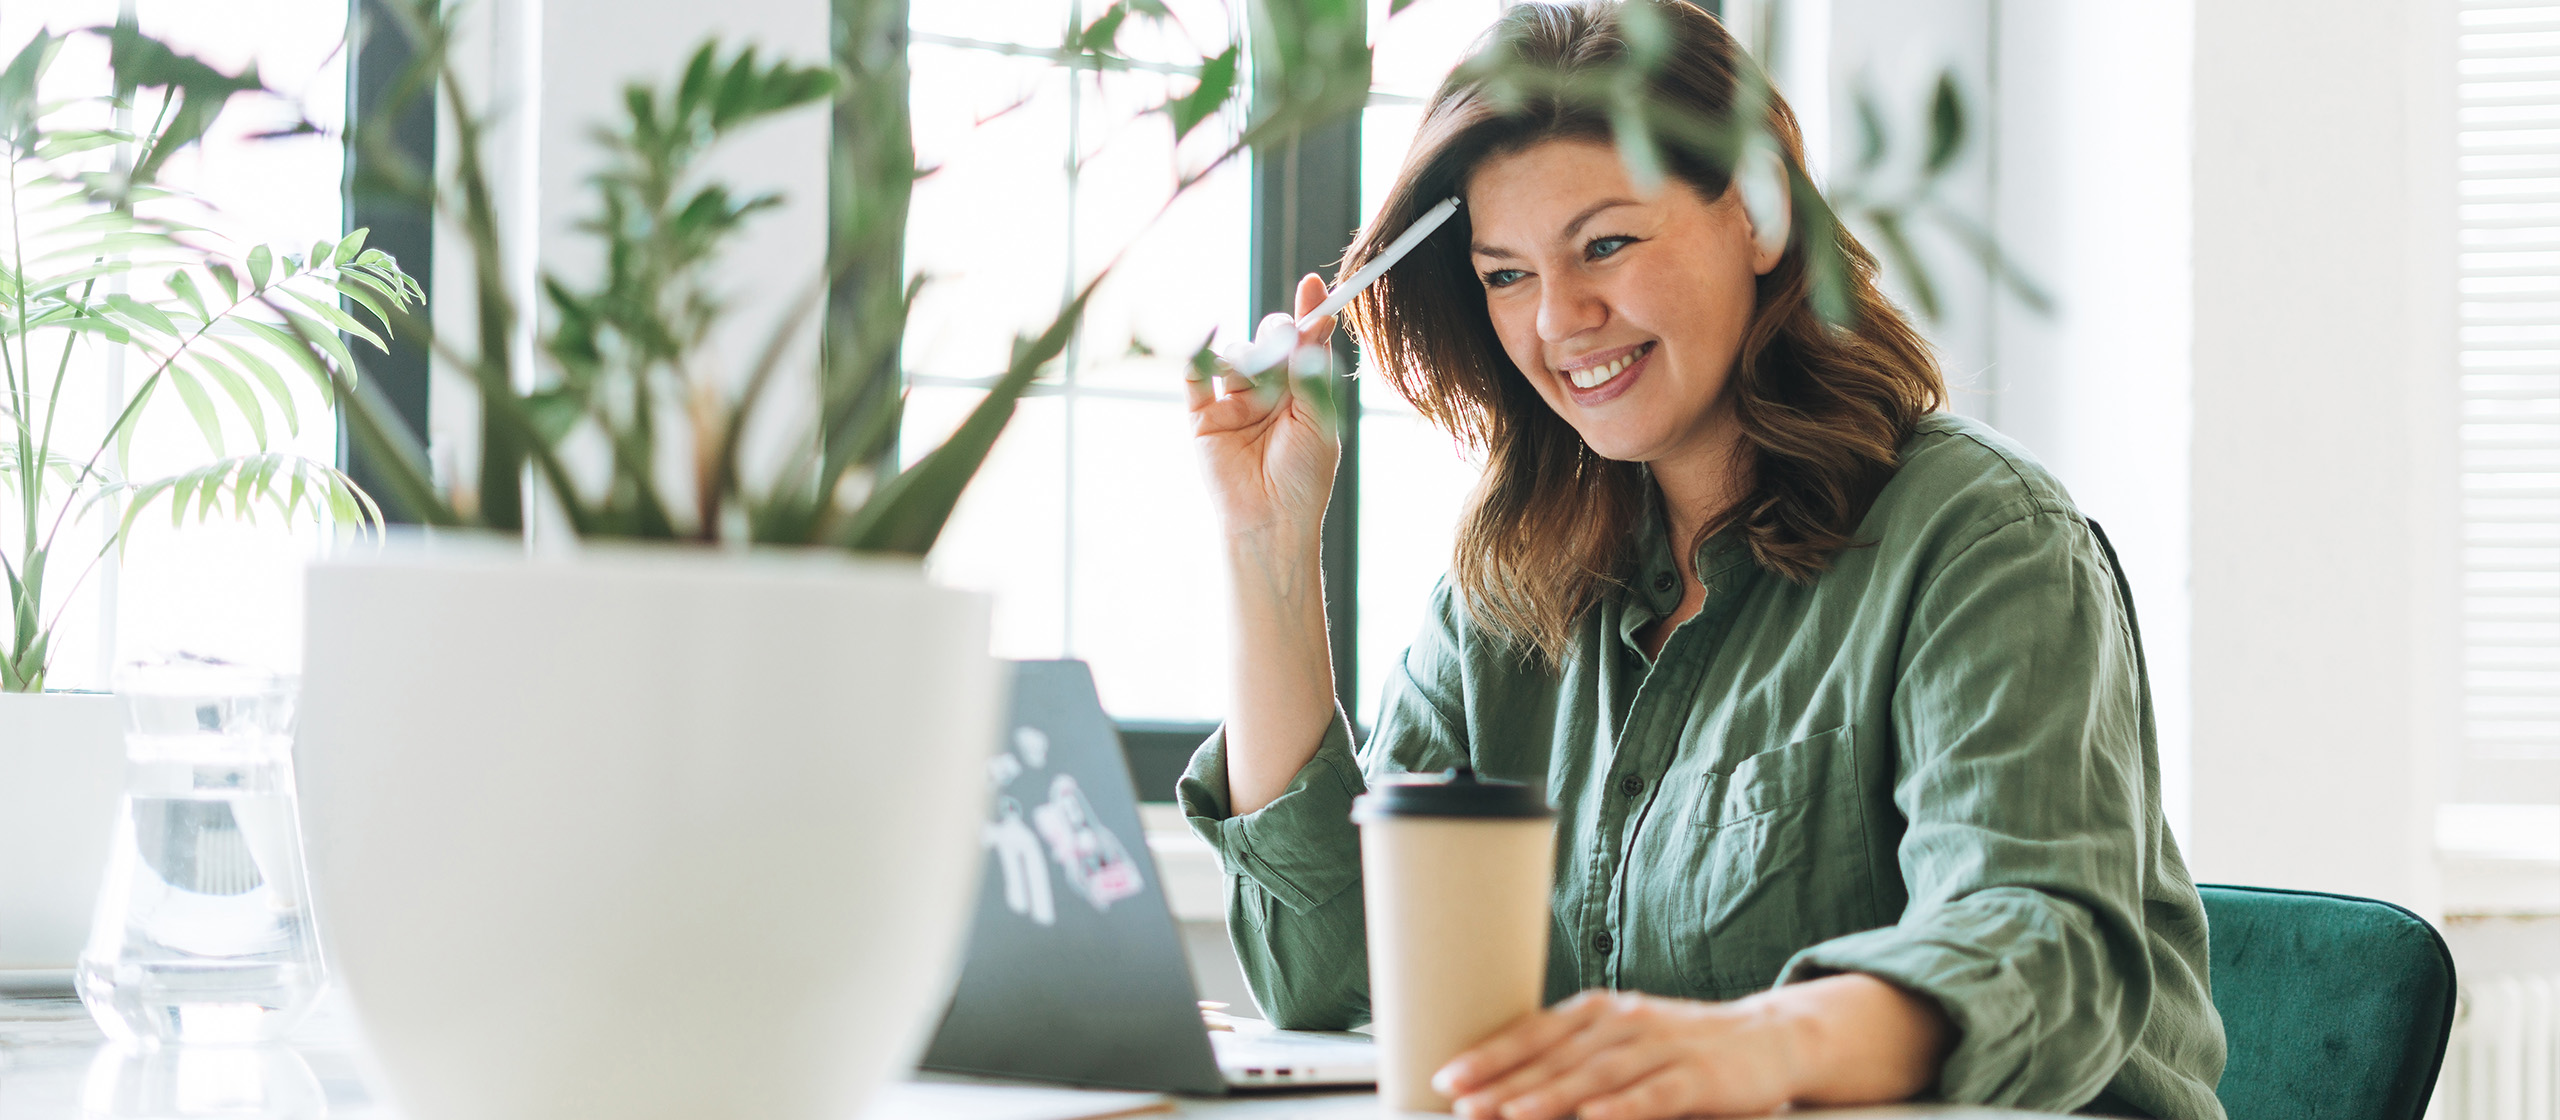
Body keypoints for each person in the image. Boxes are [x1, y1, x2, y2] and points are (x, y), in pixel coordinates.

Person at [1176, 2, 2227, 1118]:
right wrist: (1267, 541)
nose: (1561, 320)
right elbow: (1332, 978)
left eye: (1607, 245)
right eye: (1504, 275)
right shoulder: (1508, 585)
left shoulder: (1981, 538)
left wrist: (1764, 1045)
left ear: (1761, 214)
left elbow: (2041, 947)